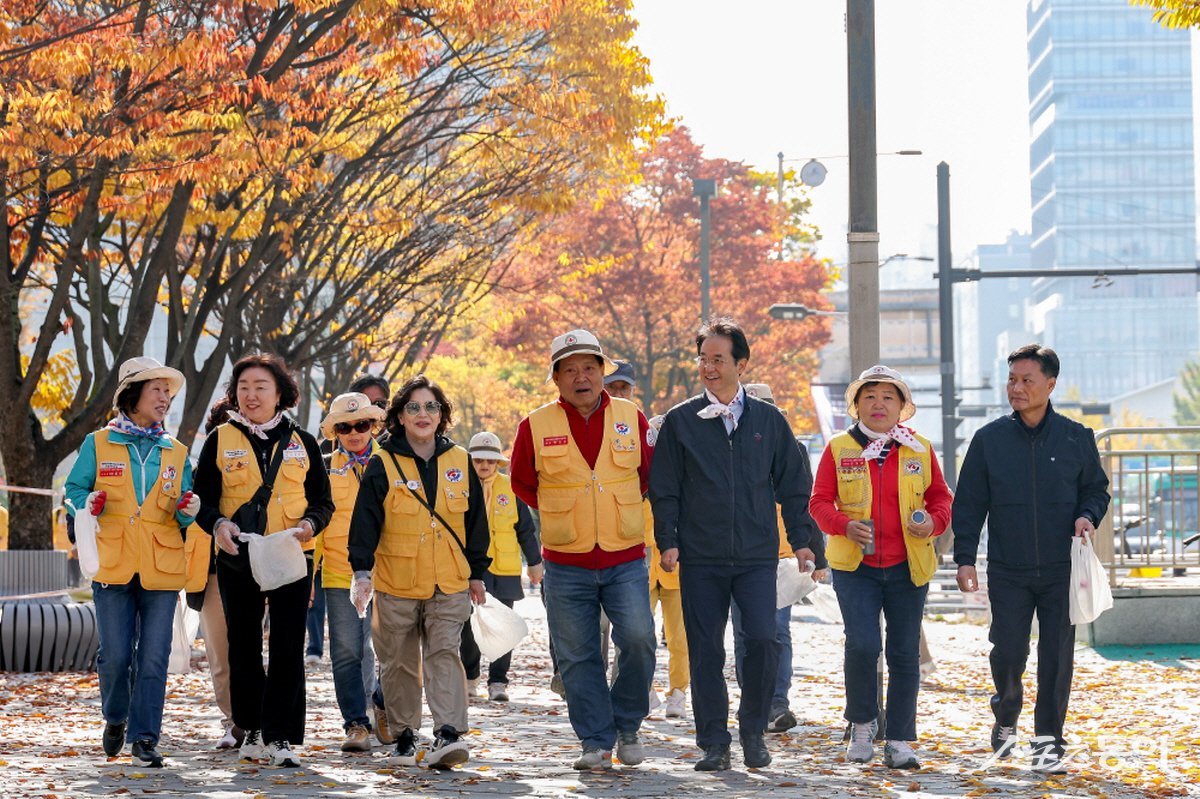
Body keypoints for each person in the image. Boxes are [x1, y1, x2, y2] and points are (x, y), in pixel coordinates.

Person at [649, 318, 822, 772]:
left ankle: (752, 733)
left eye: (718, 359)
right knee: (706, 649)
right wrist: (667, 539)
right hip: (700, 557)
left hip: (755, 556)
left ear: (741, 363)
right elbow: (665, 487)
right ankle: (714, 742)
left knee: (762, 641)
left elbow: (794, 486)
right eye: (703, 359)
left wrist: (804, 542)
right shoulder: (681, 421)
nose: (708, 367)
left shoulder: (769, 420)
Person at [952, 344, 1110, 773]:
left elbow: (1097, 490)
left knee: (1057, 657)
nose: (1016, 388)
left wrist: (1086, 515)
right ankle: (1006, 715)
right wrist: (964, 556)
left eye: (1026, 381)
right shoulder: (989, 440)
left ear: (1051, 384)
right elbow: (968, 503)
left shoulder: (1077, 437)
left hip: (1062, 568)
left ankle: (1048, 741)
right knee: (1007, 652)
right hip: (1008, 568)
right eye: (1012, 380)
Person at [509, 329, 656, 771]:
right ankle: (595, 740)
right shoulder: (534, 425)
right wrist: (566, 509)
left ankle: (628, 723)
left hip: (625, 554)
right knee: (577, 655)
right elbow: (522, 482)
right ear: (555, 378)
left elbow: (649, 476)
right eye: (569, 369)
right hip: (565, 560)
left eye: (589, 368)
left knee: (639, 640)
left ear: (602, 372)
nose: (581, 377)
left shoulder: (632, 416)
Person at [193, 353, 335, 768]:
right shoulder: (220, 440)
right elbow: (203, 502)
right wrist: (218, 525)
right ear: (234, 395)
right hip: (239, 556)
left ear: (280, 394)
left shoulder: (303, 441)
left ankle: (279, 737)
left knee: (289, 646)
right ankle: (250, 730)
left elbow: (323, 503)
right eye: (243, 388)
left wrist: (310, 525)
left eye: (261, 387)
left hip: (291, 555)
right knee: (244, 647)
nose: (251, 395)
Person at [809, 365, 952, 769]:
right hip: (857, 567)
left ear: (902, 407)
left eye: (889, 397)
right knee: (863, 645)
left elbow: (941, 499)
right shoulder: (839, 448)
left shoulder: (919, 448)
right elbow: (818, 502)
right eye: (870, 396)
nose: (879, 404)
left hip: (909, 566)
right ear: (856, 405)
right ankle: (862, 725)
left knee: (905, 653)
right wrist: (843, 525)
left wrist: (932, 522)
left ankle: (902, 739)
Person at [348, 375, 491, 770]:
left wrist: (477, 572)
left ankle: (448, 733)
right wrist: (362, 573)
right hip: (396, 580)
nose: (423, 414)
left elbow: (476, 522)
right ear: (399, 415)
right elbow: (364, 523)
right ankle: (405, 734)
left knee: (445, 652)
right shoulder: (383, 462)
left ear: (442, 414)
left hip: (450, 580)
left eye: (431, 407)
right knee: (398, 661)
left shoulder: (459, 459)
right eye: (413, 407)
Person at [64, 357, 199, 767]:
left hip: (161, 565)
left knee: (154, 656)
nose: (165, 398)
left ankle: (145, 738)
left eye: (168, 392)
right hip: (113, 562)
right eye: (157, 390)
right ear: (133, 395)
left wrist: (188, 509)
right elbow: (74, 489)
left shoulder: (176, 452)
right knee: (116, 655)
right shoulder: (99, 443)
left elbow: (183, 506)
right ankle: (116, 717)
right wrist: (87, 502)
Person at [730, 383, 828, 735]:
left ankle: (777, 703)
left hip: (784, 553)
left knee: (777, 631)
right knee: (745, 633)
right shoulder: (727, 445)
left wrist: (818, 554)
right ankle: (753, 701)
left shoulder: (794, 449)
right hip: (738, 553)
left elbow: (806, 500)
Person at [316, 392, 386, 752]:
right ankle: (355, 724)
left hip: (388, 571)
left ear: (373, 425)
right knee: (347, 652)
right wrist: (309, 574)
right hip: (339, 572)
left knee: (389, 649)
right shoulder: (323, 467)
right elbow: (317, 522)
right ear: (335, 431)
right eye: (345, 426)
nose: (355, 432)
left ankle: (385, 708)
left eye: (362, 425)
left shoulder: (391, 462)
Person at [459, 431, 543, 702]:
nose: (484, 466)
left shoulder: (511, 488)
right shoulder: (460, 486)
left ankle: (498, 682)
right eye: (478, 460)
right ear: (470, 461)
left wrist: (534, 562)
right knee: (470, 626)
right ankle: (470, 678)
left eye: (490, 461)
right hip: (472, 569)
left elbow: (525, 529)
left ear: (498, 464)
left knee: (504, 626)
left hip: (505, 568)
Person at [188, 397, 241, 750]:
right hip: (210, 573)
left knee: (249, 650)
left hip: (254, 568)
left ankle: (257, 719)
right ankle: (233, 722)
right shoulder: (197, 472)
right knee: (220, 654)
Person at [644, 414, 689, 720]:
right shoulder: (637, 478)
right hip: (642, 567)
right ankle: (644, 690)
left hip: (677, 569)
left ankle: (678, 693)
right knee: (639, 636)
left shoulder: (685, 479)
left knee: (679, 637)